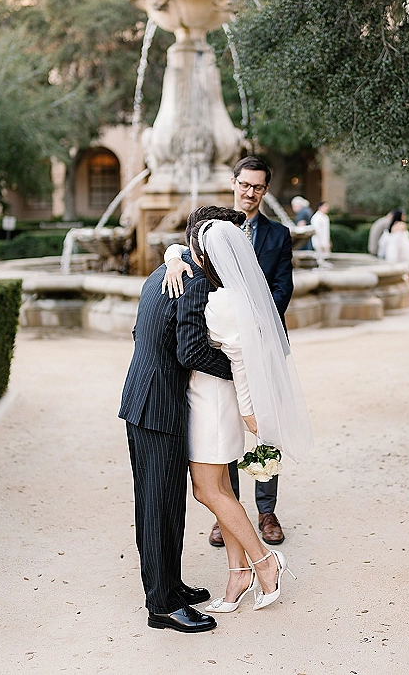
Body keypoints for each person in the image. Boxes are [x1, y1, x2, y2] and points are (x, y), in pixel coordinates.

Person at [119, 205, 244, 633]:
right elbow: (190, 351)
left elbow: (143, 334)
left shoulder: (169, 269)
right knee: (160, 506)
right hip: (159, 406)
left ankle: (169, 585)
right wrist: (241, 370)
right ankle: (162, 605)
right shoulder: (191, 282)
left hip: (144, 397)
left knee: (163, 503)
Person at [162, 155, 293, 547]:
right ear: (233, 182)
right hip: (226, 346)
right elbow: (183, 249)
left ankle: (267, 510)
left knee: (264, 426)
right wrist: (172, 259)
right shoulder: (212, 228)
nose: (250, 192)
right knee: (230, 425)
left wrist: (251, 324)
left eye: (258, 187)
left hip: (263, 343)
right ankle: (228, 509)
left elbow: (282, 289)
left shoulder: (278, 235)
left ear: (266, 190)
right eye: (244, 184)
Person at [186, 219, 313, 613]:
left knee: (207, 491)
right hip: (209, 398)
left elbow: (240, 361)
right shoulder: (231, 294)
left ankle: (264, 562)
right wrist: (175, 256)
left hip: (213, 403)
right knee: (221, 491)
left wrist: (249, 412)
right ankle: (237, 573)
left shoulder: (222, 302)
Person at [310, 201, 332, 267]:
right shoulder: (316, 217)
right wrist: (322, 242)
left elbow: (326, 231)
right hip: (318, 240)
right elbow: (317, 230)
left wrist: (327, 241)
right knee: (319, 256)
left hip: (325, 239)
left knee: (325, 256)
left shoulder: (325, 217)